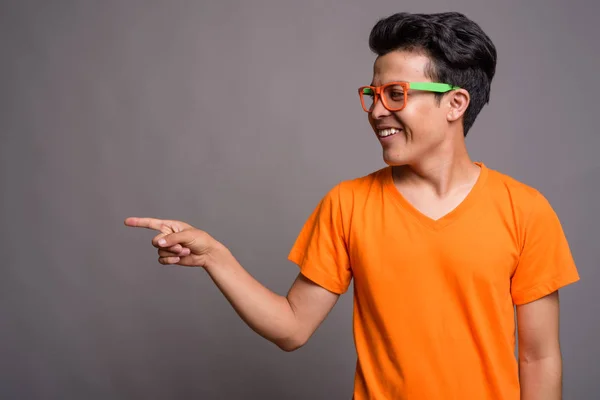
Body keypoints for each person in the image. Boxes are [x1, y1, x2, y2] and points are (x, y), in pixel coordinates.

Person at [125, 11, 580, 400]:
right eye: (373, 94)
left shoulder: (525, 209)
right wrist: (214, 257)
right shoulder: (347, 204)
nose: (377, 110)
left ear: (455, 104)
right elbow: (292, 327)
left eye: (396, 94)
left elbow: (538, 356)